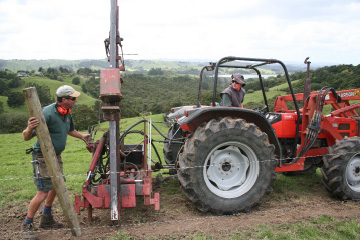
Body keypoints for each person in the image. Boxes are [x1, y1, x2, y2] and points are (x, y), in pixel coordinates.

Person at [21, 85, 90, 239]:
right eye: (73, 98)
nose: (75, 100)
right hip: (42, 157)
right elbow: (26, 137)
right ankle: (27, 225)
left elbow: (69, 130)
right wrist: (28, 128)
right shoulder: (46, 113)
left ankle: (46, 218)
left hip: (56, 156)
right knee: (42, 192)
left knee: (57, 186)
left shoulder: (66, 113)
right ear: (63, 100)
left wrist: (82, 136)